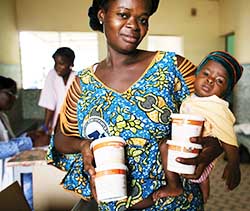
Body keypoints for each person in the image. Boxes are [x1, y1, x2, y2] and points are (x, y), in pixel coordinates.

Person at [46, 1, 223, 210]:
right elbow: (61, 138)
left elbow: (219, 120)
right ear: (102, 15)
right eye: (123, 15)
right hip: (110, 204)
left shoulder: (174, 69)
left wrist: (212, 147)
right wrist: (84, 145)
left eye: (143, 19)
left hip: (174, 204)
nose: (134, 26)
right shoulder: (82, 83)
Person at [153, 51, 243, 203]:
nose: (210, 81)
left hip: (198, 151)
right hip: (190, 148)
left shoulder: (217, 106)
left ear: (225, 91)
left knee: (164, 146)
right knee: (200, 180)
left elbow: (228, 135)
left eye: (219, 81)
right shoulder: (192, 98)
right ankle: (203, 189)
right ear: (196, 74)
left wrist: (234, 163)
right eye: (206, 73)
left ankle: (174, 185)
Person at [0, 76, 49, 209]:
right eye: (10, 93)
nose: (14, 98)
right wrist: (30, 141)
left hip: (8, 174)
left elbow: (9, 142)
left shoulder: (3, 116)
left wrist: (28, 136)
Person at [38, 47, 76, 134]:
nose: (57, 67)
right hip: (55, 124)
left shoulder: (77, 78)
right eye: (55, 63)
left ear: (71, 64)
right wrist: (46, 126)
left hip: (74, 124)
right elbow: (49, 102)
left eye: (61, 63)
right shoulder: (52, 75)